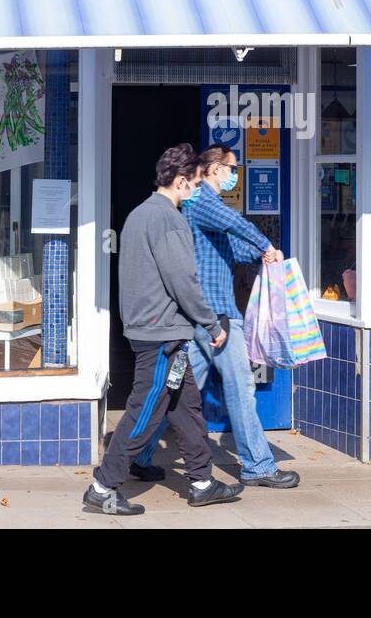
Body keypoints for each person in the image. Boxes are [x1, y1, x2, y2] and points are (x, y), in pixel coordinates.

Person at [83, 143, 243, 516]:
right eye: (195, 184)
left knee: (185, 407)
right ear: (182, 181)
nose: (197, 192)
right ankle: (102, 486)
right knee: (144, 410)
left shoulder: (139, 213)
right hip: (161, 334)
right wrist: (209, 322)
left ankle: (202, 482)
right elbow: (182, 281)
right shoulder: (170, 220)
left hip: (153, 328)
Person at [131, 145, 301, 489]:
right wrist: (267, 246)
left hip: (200, 319)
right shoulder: (204, 200)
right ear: (214, 170)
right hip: (217, 316)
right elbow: (234, 224)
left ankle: (140, 454)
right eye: (232, 168)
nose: (235, 175)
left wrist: (258, 255)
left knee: (173, 389)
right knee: (241, 388)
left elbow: (228, 246)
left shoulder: (198, 206)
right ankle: (259, 466)